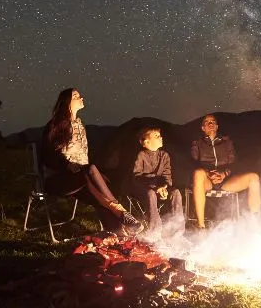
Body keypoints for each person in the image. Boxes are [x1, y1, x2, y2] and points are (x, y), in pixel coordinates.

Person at [38, 88, 143, 237]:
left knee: (101, 197)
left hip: (81, 179)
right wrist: (67, 165)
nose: (81, 97)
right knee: (93, 173)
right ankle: (123, 213)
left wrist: (95, 176)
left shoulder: (80, 126)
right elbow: (47, 155)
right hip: (59, 179)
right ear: (66, 102)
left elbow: (83, 159)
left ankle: (119, 235)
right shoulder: (57, 124)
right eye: (76, 95)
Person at [191, 114, 260, 229]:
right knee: (198, 173)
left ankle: (255, 224)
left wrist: (224, 173)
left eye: (213, 121)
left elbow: (235, 163)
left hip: (226, 180)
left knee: (254, 177)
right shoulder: (197, 143)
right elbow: (193, 163)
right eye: (207, 122)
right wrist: (208, 173)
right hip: (207, 180)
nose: (210, 124)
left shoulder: (227, 142)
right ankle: (201, 226)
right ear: (203, 128)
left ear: (217, 126)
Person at [131, 127, 184, 238]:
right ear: (146, 142)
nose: (160, 137)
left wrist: (164, 187)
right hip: (144, 189)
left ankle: (177, 231)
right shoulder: (141, 156)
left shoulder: (164, 155)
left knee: (176, 192)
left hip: (161, 188)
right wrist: (155, 188)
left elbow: (167, 175)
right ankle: (154, 231)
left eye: (160, 135)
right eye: (156, 136)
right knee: (151, 193)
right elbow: (137, 177)